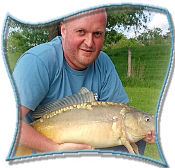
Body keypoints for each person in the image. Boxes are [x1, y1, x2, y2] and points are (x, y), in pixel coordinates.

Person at [12, 8, 155, 155]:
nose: (89, 43)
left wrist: (146, 129)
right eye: (81, 31)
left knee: (136, 139)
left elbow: (119, 114)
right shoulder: (38, 62)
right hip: (44, 147)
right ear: (63, 30)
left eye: (97, 34)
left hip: (87, 146)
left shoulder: (103, 62)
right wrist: (55, 149)